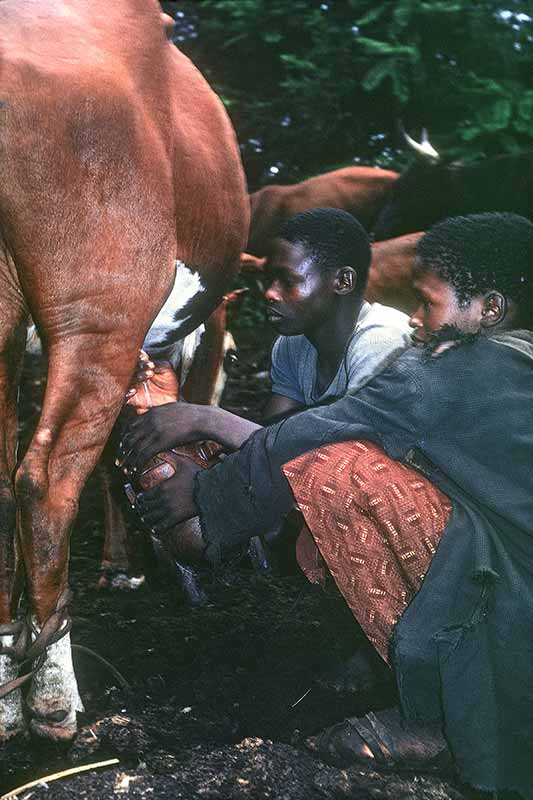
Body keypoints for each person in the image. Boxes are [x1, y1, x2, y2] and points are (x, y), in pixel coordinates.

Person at [120, 212, 533, 798]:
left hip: (516, 615)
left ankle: (443, 716)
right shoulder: (515, 360)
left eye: (427, 303)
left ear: (488, 310)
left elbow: (315, 433)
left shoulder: (454, 368)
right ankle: (401, 663)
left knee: (336, 472)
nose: (416, 320)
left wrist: (204, 504)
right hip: (517, 588)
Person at [124, 207, 412, 449]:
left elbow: (346, 455)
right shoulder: (293, 344)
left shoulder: (381, 339)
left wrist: (205, 420)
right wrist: (173, 404)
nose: (270, 293)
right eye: (269, 279)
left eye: (287, 280)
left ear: (343, 282)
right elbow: (269, 439)